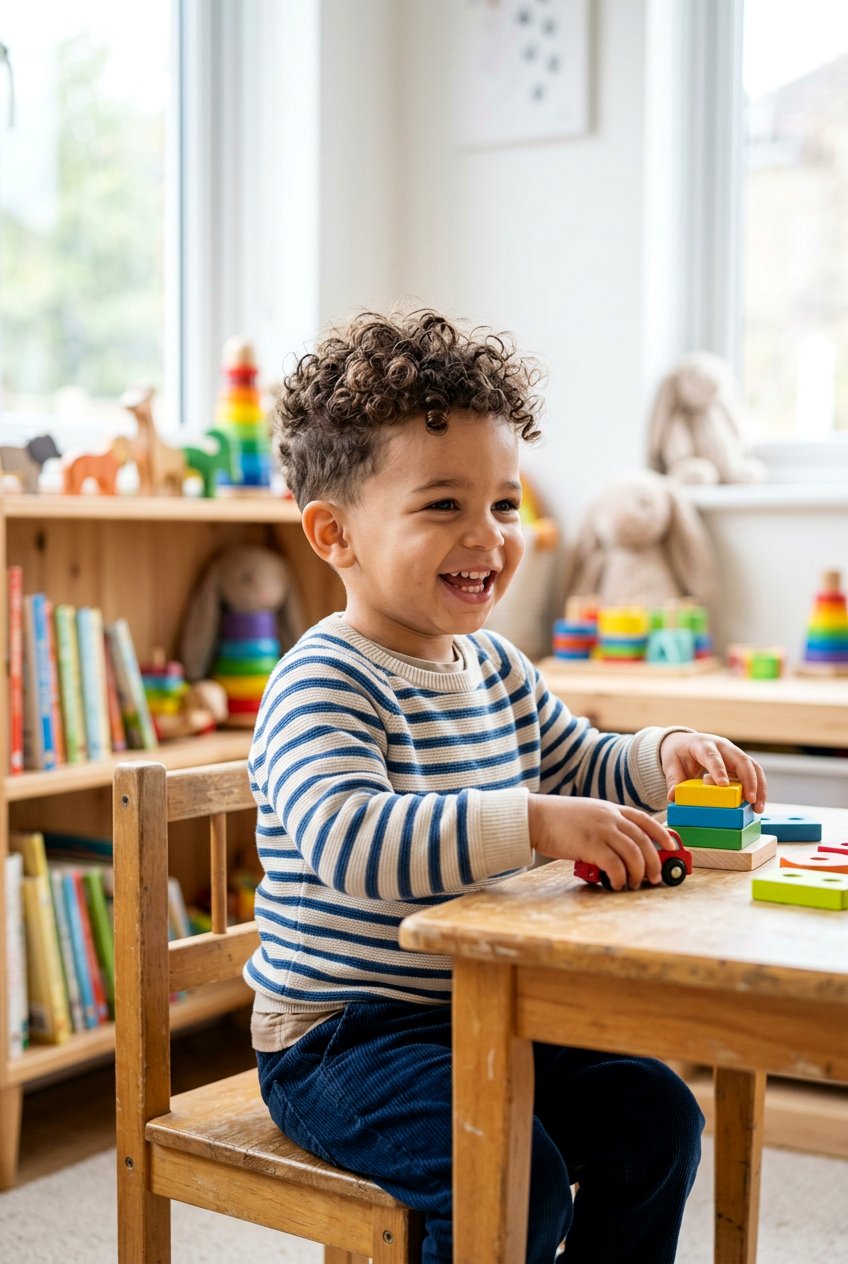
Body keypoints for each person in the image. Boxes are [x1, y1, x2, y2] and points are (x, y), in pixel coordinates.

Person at [246, 308, 767, 1263]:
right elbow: (356, 842)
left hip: (485, 1011)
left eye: (505, 505)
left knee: (659, 1118)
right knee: (509, 1182)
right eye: (443, 506)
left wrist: (665, 753)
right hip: (342, 1040)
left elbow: (581, 759)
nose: (486, 536)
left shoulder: (494, 665)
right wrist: (534, 824)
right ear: (334, 534)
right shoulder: (321, 680)